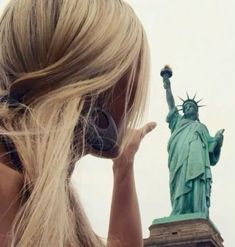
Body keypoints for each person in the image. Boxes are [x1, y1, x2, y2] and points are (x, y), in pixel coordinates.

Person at [0, 0, 156, 246]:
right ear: (97, 67)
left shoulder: (43, 192)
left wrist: (124, 166)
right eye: (130, 62)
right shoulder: (9, 188)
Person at [162, 67, 224, 216]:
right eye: (186, 107)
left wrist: (218, 140)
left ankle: (197, 210)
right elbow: (171, 105)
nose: (189, 108)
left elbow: (211, 150)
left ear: (197, 111)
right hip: (179, 158)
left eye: (192, 106)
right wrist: (167, 87)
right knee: (180, 182)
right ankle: (180, 209)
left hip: (198, 161)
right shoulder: (178, 121)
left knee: (197, 180)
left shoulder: (201, 127)